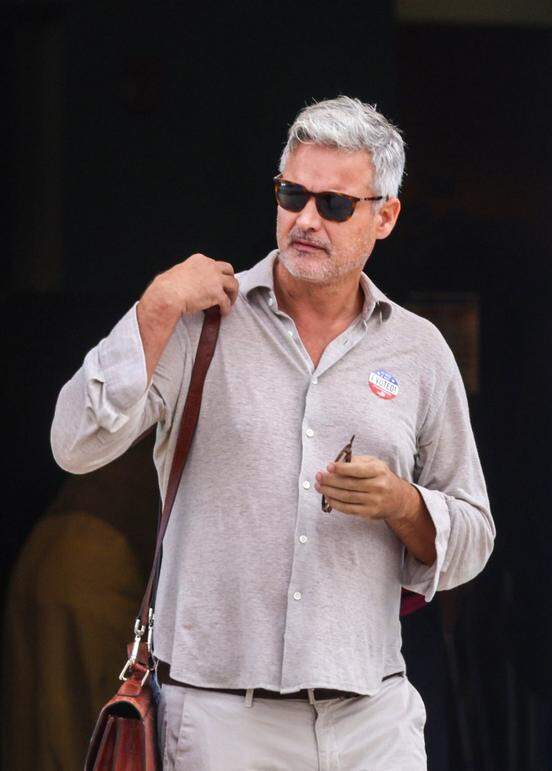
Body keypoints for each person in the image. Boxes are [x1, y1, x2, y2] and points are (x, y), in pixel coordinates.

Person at [51, 95, 495, 769]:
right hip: (222, 717)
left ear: (386, 215)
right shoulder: (202, 323)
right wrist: (157, 305)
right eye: (293, 195)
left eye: (334, 204)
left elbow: (474, 537)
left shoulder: (419, 349)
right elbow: (74, 444)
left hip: (371, 718)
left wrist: (403, 505)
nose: (306, 220)